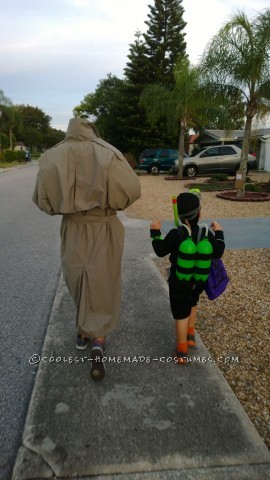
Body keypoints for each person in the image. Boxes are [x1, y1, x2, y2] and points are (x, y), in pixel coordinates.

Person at [33, 117, 141, 380]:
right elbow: (131, 190)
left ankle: (83, 332)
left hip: (72, 227)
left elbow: (41, 200)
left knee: (78, 279)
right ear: (92, 130)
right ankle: (98, 339)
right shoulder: (109, 153)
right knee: (102, 280)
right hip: (103, 226)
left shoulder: (50, 157)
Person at [150, 192, 225, 364]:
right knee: (192, 303)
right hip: (199, 281)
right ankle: (191, 335)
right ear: (199, 213)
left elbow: (160, 250)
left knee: (181, 314)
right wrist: (219, 232)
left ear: (180, 215)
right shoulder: (206, 233)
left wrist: (155, 231)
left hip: (179, 282)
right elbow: (219, 251)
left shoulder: (176, 234)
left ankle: (182, 351)